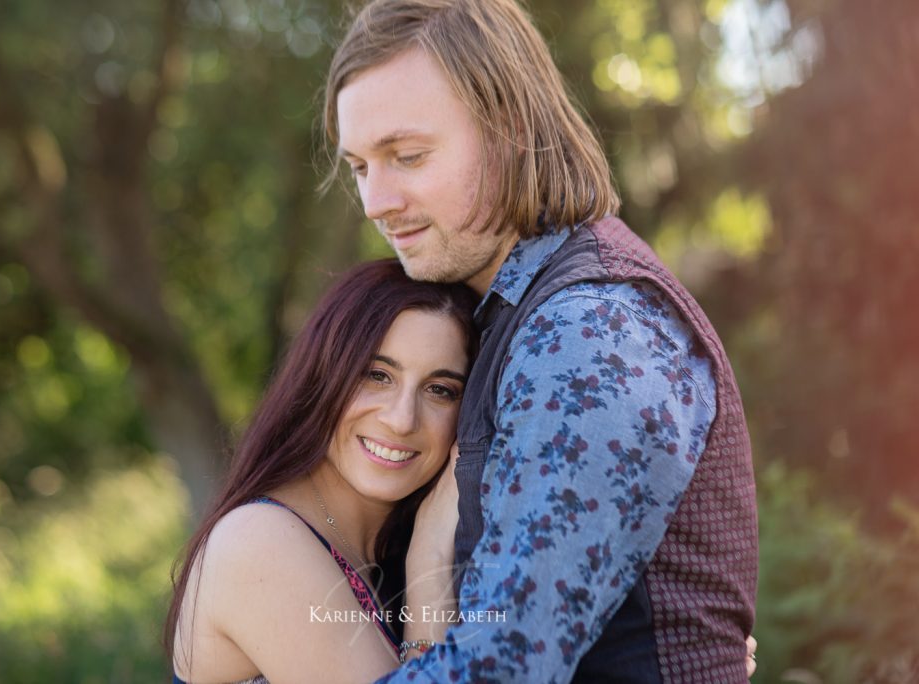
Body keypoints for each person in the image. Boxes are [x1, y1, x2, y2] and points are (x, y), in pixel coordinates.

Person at [323, 0, 758, 681]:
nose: (377, 201)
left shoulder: (591, 330)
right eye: (359, 167)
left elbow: (505, 664)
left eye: (407, 156)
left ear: (511, 132)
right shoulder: (501, 314)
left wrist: (431, 573)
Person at [166, 259, 480, 683]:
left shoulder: (386, 548)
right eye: (377, 375)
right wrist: (429, 560)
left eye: (440, 390)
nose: (402, 420)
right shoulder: (259, 543)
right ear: (324, 376)